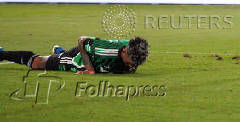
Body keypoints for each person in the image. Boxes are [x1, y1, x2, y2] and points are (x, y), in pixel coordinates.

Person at [0, 36, 148, 74]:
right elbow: (82, 41)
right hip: (77, 59)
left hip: (94, 52)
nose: (133, 64)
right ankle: (3, 54)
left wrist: (131, 65)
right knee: (37, 63)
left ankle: (60, 52)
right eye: (131, 61)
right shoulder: (105, 51)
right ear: (124, 51)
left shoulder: (131, 48)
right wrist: (89, 69)